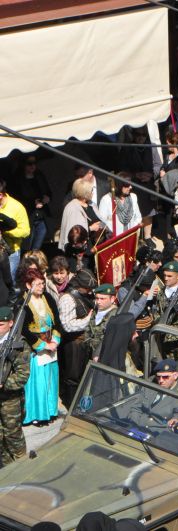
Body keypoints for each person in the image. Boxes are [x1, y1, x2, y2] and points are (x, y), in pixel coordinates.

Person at [21, 269, 62, 426]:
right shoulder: (24, 303)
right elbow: (24, 329)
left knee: (51, 380)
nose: (41, 286)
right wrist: (43, 345)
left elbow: (57, 320)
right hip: (36, 349)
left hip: (51, 345)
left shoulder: (48, 298)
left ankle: (50, 411)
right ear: (28, 285)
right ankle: (37, 415)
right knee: (38, 383)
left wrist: (55, 340)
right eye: (37, 284)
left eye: (42, 283)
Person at [56, 270, 96, 407]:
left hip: (84, 341)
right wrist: (88, 320)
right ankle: (71, 405)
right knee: (72, 377)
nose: (90, 290)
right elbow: (67, 325)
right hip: (72, 343)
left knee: (83, 375)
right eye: (87, 287)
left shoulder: (86, 294)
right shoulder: (67, 299)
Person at [0, 306, 31, 465]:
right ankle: (6, 470)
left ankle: (22, 469)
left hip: (10, 400)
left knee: (13, 436)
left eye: (1, 325)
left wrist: (4, 383)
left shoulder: (19, 345)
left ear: (11, 323)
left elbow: (22, 375)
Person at [149, 261, 178, 361]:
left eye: (169, 276)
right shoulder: (160, 292)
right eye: (165, 275)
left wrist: (164, 333)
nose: (166, 278)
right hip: (160, 343)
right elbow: (156, 312)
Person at [9, 155, 51, 251]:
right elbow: (16, 199)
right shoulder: (17, 179)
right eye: (29, 163)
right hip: (28, 217)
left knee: (36, 249)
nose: (32, 166)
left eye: (34, 163)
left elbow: (48, 191)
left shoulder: (39, 176)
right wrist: (32, 203)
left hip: (42, 217)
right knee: (26, 247)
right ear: (23, 164)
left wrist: (47, 198)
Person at [0, 181, 31, 279]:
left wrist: (6, 232)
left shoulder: (16, 207)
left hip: (11, 252)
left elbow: (25, 231)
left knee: (9, 282)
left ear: (0, 195)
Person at [83, 283, 117, 363]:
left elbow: (110, 339)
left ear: (112, 299)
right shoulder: (95, 310)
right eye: (97, 298)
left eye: (102, 299)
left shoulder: (115, 315)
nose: (98, 302)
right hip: (90, 354)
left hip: (106, 357)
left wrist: (98, 354)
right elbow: (89, 329)